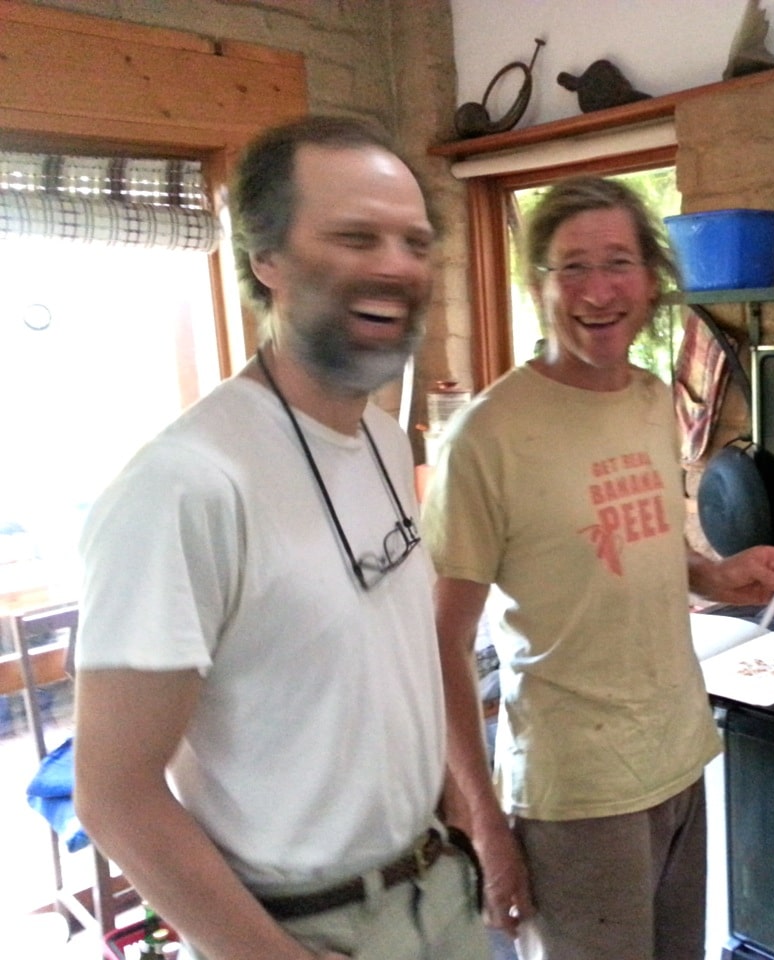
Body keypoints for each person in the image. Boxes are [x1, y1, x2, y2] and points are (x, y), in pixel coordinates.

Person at [73, 116, 489, 960]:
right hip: (304, 927)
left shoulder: (377, 436)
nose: (396, 266)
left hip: (436, 893)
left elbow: (387, 656)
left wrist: (457, 808)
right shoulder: (185, 485)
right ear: (267, 260)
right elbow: (113, 795)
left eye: (414, 242)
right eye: (355, 237)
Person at [424, 175, 774, 960]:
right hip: (575, 793)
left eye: (619, 263)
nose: (599, 291)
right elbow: (441, 648)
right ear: (538, 286)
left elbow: (638, 541)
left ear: (653, 280)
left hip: (675, 758)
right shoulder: (486, 438)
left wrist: (715, 573)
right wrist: (487, 827)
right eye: (572, 268)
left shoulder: (648, 397)